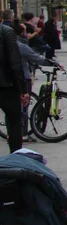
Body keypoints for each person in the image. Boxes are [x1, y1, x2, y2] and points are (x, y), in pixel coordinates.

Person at [0, 22, 27, 154]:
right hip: (6, 85)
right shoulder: (6, 31)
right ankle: (16, 155)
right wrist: (22, 89)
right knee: (14, 121)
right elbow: (14, 62)